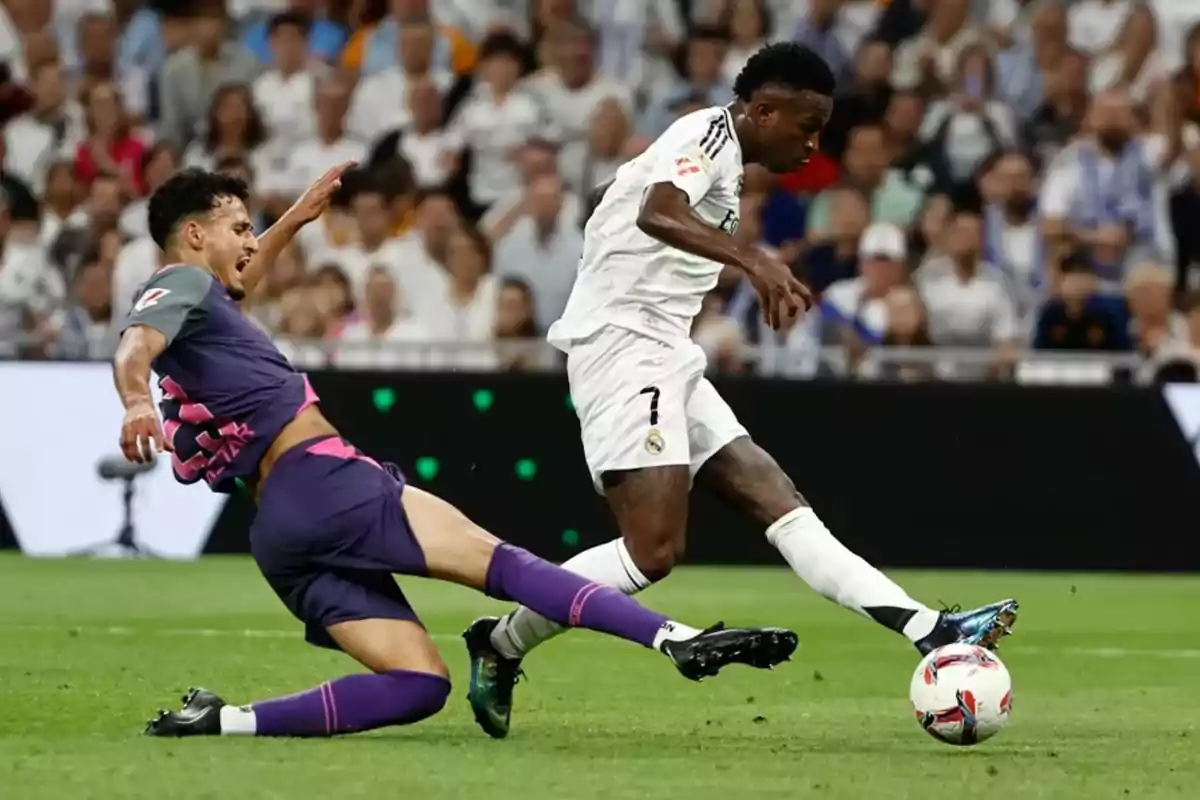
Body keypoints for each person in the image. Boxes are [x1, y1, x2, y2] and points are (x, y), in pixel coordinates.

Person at [117, 166, 799, 739]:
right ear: (195, 234)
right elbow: (133, 346)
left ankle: (224, 721)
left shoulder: (204, 304)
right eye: (239, 227)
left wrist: (294, 218)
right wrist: (136, 401)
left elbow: (237, 280)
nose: (249, 241)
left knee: (419, 685)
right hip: (326, 483)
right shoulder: (182, 284)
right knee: (505, 565)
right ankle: (670, 638)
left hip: (280, 534)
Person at [463, 43, 1020, 739]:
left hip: (666, 350)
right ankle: (501, 640)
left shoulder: (719, 156)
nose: (813, 145)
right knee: (651, 553)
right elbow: (655, 212)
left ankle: (928, 628)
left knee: (775, 496)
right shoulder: (704, 134)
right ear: (762, 110)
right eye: (805, 126)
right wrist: (755, 260)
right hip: (624, 349)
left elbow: (636, 214)